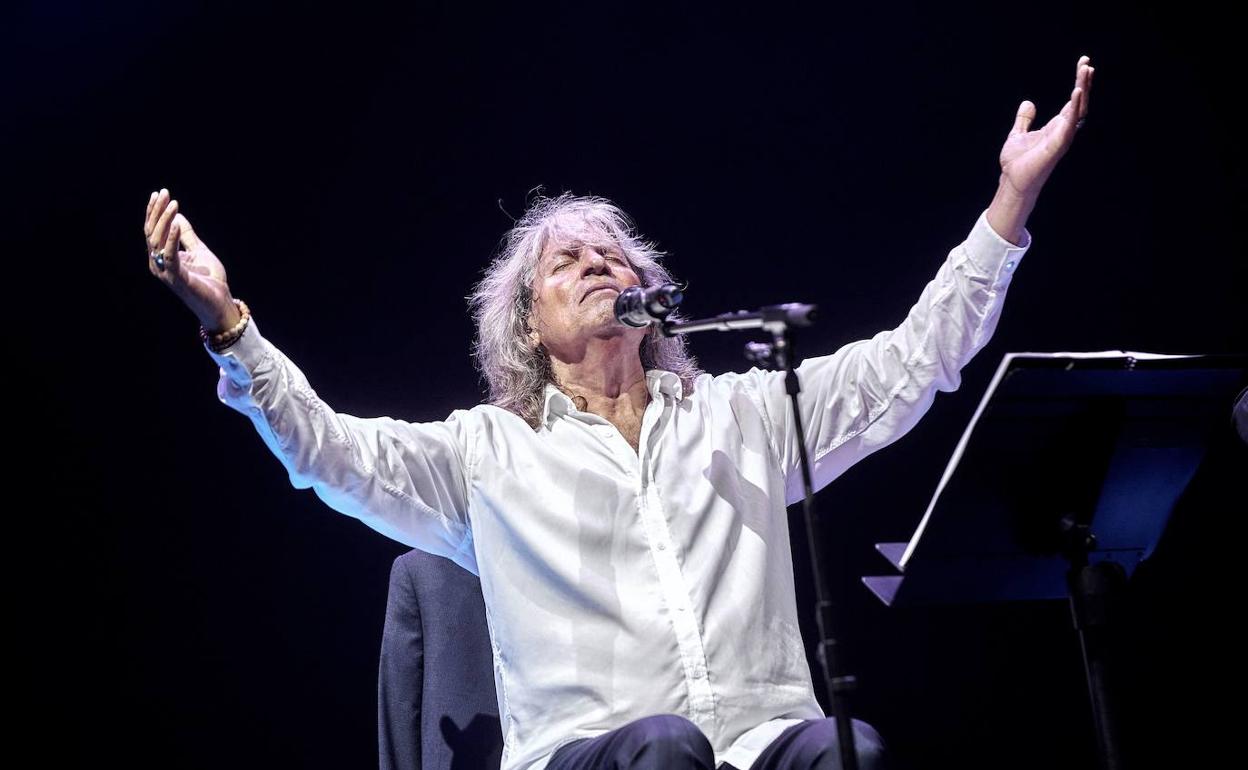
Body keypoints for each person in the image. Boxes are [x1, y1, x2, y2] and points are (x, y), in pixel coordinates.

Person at [143, 56, 1094, 770]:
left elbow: (911, 365)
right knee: (666, 747)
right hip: (592, 754)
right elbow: (326, 451)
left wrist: (1012, 200)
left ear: (652, 296)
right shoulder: (486, 455)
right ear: (527, 322)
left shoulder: (745, 418)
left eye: (615, 256)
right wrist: (229, 323)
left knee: (846, 748)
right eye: (569, 261)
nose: (601, 264)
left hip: (755, 743)